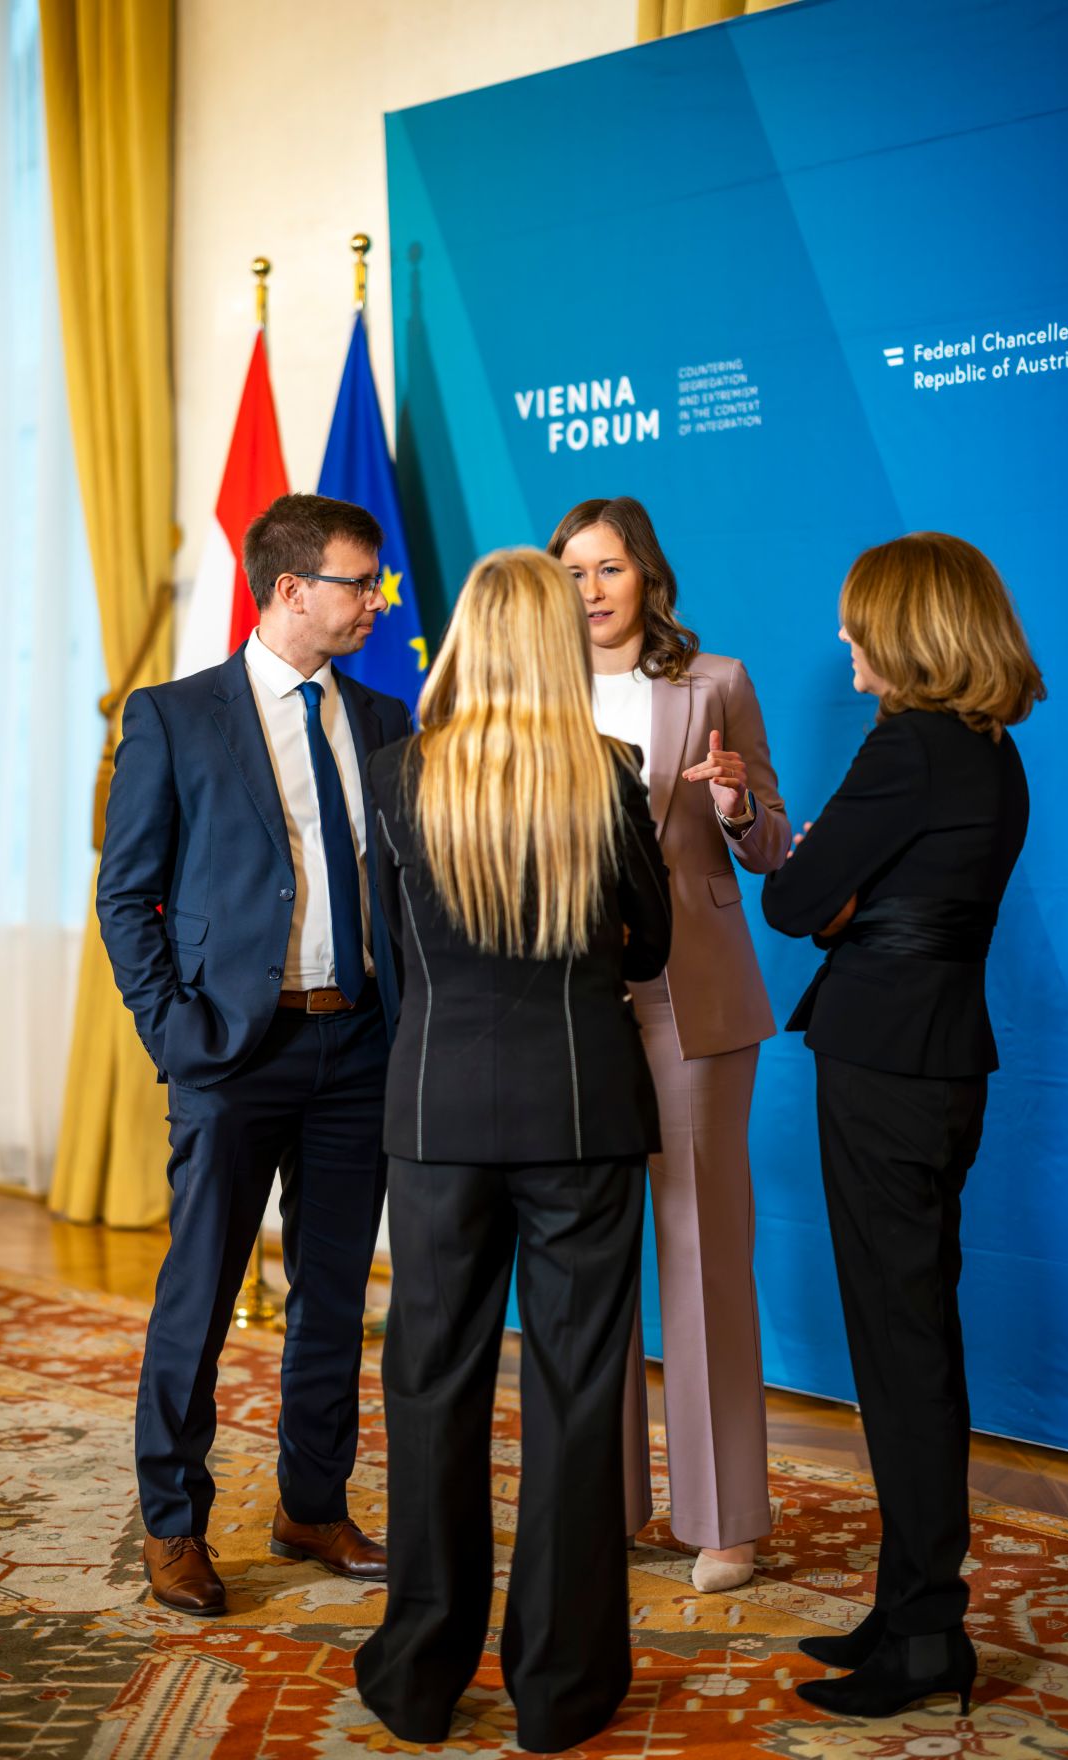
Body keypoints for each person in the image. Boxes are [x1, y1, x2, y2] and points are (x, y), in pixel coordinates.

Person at [354, 548, 672, 1753]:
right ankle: (562, 1685)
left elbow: (393, 953)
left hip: (435, 1116)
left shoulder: (395, 776)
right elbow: (644, 950)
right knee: (578, 1391)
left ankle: (420, 1672)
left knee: (431, 1385)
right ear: (551, 641)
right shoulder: (609, 774)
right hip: (584, 1114)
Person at [97, 492, 412, 1616]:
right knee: (201, 1289)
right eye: (356, 583)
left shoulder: (382, 722)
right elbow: (127, 892)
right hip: (233, 1052)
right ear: (289, 590)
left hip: (357, 1045)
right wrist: (176, 1034)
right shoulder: (177, 717)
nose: (374, 600)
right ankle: (174, 1521)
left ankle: (310, 1501)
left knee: (332, 1293)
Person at [762, 532, 1044, 1718]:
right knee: (910, 1334)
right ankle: (905, 1602)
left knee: (903, 1347)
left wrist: (841, 902)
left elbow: (789, 900)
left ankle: (927, 1633)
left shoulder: (907, 748)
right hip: (934, 1062)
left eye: (855, 618)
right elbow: (840, 900)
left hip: (886, 1066)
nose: (842, 638)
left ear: (908, 628)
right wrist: (851, 904)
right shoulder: (989, 751)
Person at [549, 496, 790, 1592]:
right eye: (572, 571)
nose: (591, 590)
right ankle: (614, 1501)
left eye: (608, 568)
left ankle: (724, 1515)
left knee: (701, 1252)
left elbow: (774, 847)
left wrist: (739, 804)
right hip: (569, 1006)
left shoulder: (719, 682)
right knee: (590, 1259)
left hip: (688, 1001)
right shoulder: (533, 690)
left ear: (647, 573)